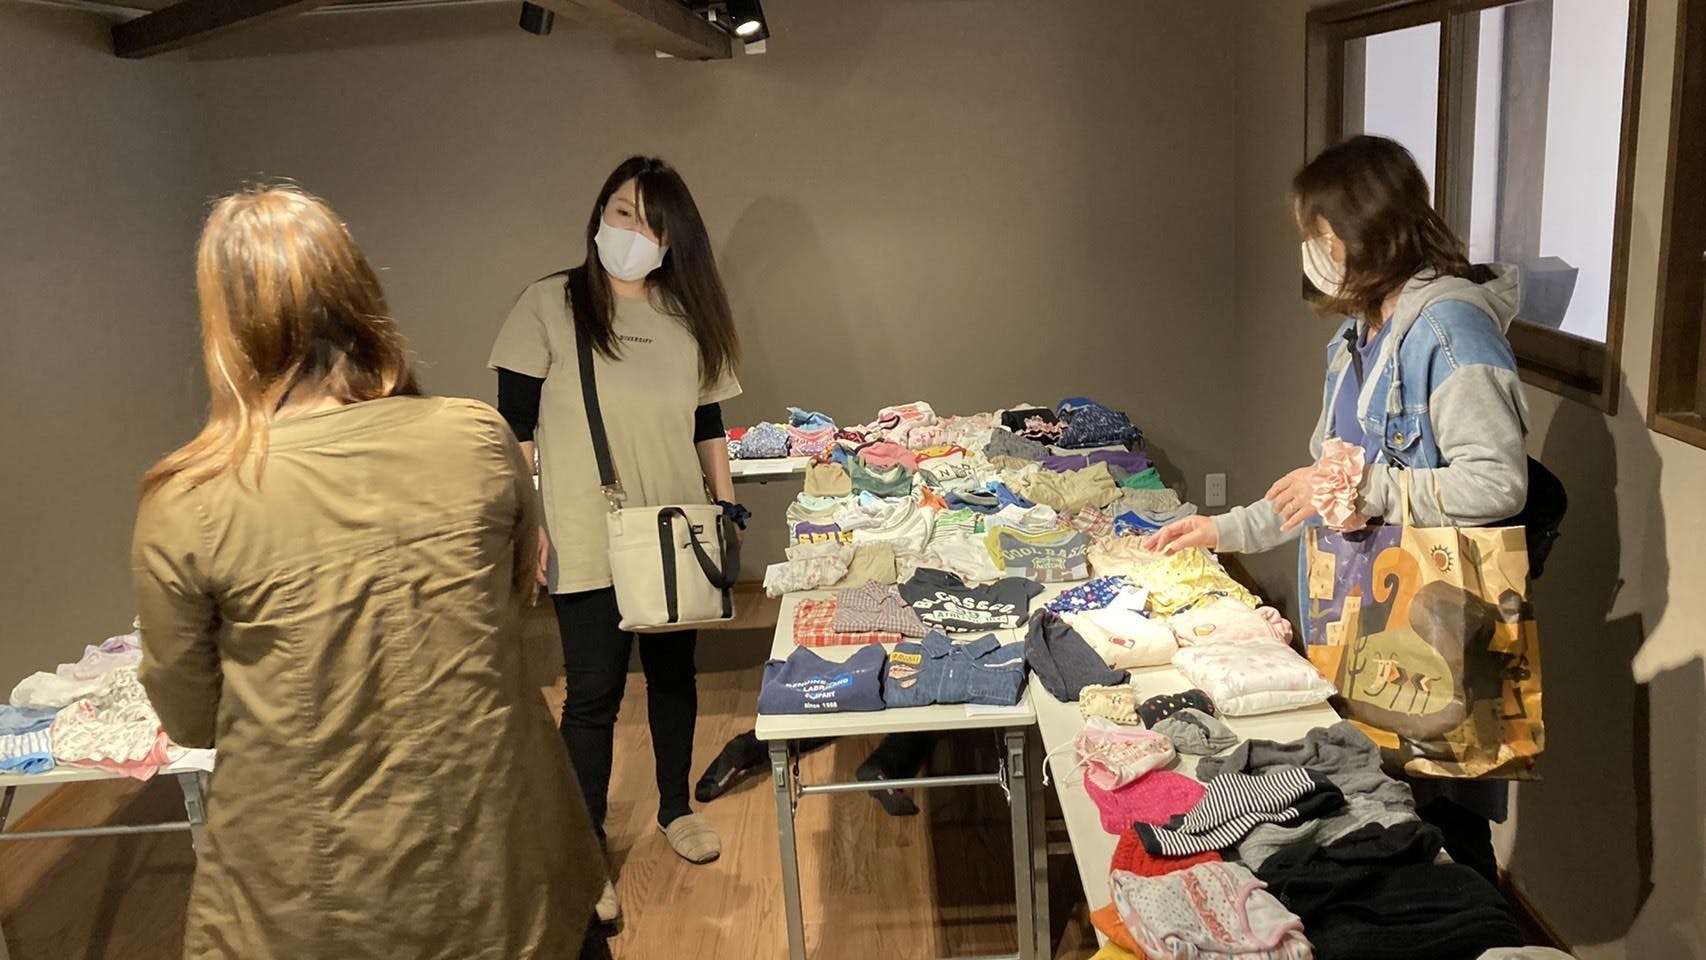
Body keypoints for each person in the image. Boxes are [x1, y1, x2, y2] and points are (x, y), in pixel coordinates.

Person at [132, 185, 609, 960]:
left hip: (309, 890)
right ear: (359, 296)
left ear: (226, 329)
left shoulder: (190, 499)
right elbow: (512, 600)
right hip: (505, 857)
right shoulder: (475, 437)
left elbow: (191, 718)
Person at [1146, 135, 1529, 884]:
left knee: (1447, 828)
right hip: (1363, 623)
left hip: (1434, 630)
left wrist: (1373, 489)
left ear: (1362, 229)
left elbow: (1497, 483)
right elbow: (1324, 486)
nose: (1313, 253)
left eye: (1317, 234)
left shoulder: (1451, 330)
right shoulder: (1355, 340)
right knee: (1381, 812)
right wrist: (1225, 530)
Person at [490, 156, 744, 922]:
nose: (632, 231)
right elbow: (514, 426)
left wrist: (726, 506)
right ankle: (585, 851)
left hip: (673, 526)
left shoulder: (689, 314)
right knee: (593, 693)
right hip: (585, 527)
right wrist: (528, 521)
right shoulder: (549, 304)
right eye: (622, 212)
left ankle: (674, 807)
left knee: (673, 675)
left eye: (650, 221)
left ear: (674, 238)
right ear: (600, 213)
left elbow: (708, 422)